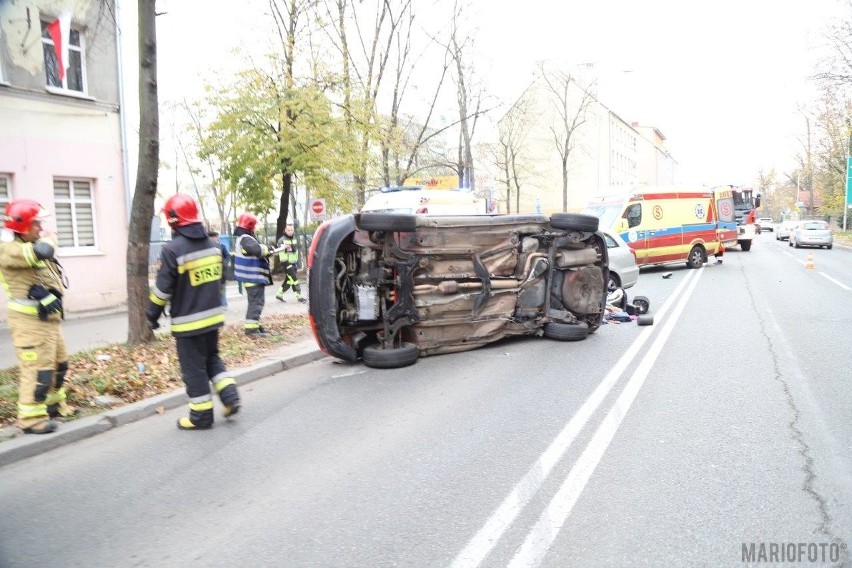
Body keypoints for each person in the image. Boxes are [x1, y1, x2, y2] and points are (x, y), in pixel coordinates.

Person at [146, 194, 241, 431]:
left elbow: (162, 290)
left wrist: (151, 315)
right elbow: (219, 280)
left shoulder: (172, 250)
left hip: (188, 325)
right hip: (213, 318)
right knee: (212, 359)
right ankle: (230, 397)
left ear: (173, 220)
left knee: (194, 370)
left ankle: (201, 417)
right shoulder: (214, 246)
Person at [0, 199, 75, 434]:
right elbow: (43, 251)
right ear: (21, 226)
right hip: (29, 324)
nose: (40, 227)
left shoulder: (28, 242)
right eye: (36, 223)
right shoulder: (9, 249)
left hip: (47, 320)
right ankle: (31, 418)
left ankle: (54, 407)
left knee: (59, 364)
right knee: (37, 369)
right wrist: (51, 237)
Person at [233, 212, 273, 336]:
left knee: (256, 302)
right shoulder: (246, 238)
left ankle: (255, 325)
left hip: (251, 276)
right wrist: (268, 248)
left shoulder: (243, 238)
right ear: (250, 225)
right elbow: (257, 250)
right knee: (256, 302)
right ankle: (251, 329)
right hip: (252, 276)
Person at [275, 223, 306, 303]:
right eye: (288, 230)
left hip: (294, 263)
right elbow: (283, 253)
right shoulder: (281, 240)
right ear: (285, 230)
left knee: (288, 281)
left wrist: (297, 261)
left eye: (291, 230)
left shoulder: (294, 239)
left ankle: (279, 294)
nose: (290, 231)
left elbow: (295, 250)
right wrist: (286, 263)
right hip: (286, 263)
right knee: (294, 279)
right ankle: (299, 297)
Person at [208, 230, 230, 307]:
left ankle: (224, 304)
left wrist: (225, 263)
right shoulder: (207, 248)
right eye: (214, 237)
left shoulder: (222, 247)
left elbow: (227, 256)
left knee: (222, 289)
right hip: (212, 271)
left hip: (221, 271)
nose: (216, 238)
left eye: (216, 237)